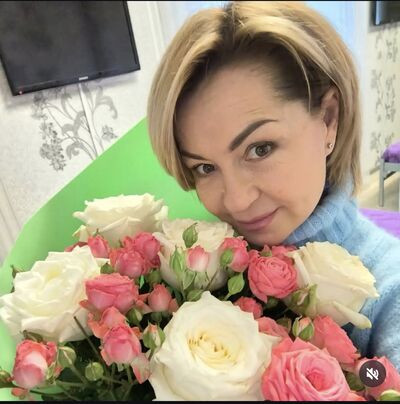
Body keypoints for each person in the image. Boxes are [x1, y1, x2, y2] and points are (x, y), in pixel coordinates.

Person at [146, 1, 400, 371]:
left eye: (260, 149)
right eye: (205, 167)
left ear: (329, 120)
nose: (237, 202)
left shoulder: (391, 289)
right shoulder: (198, 271)